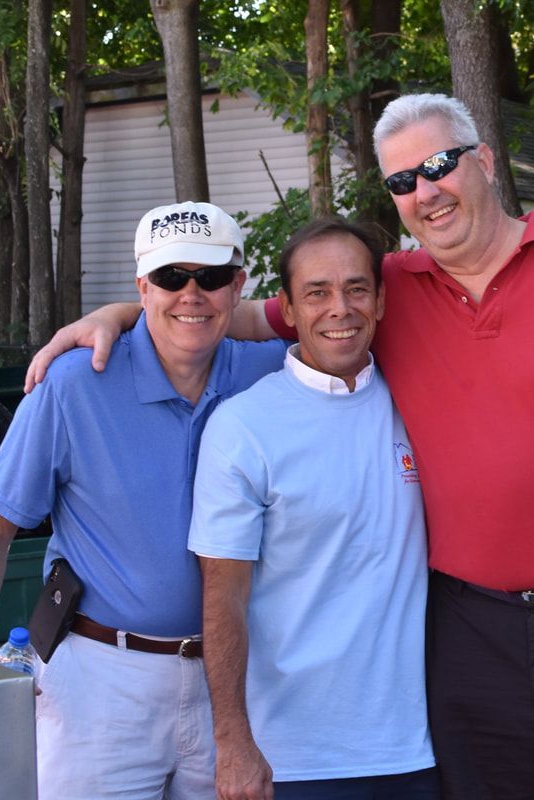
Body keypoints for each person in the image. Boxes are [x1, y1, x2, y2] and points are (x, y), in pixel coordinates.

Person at [26, 94, 534, 800]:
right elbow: (229, 312)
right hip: (470, 632)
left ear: (484, 161)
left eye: (438, 165)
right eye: (402, 181)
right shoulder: (385, 290)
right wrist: (119, 315)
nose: (424, 191)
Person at [0, 201, 287, 800]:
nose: (192, 294)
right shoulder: (76, 382)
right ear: (143, 285)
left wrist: (123, 313)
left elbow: (344, 311)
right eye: (170, 278)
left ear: (238, 285)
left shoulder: (270, 374)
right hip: (100, 677)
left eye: (210, 277)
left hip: (235, 683)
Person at [188, 217, 438, 800]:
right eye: (317, 292)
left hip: (416, 746)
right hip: (292, 759)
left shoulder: (417, 403)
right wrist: (234, 743)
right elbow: (223, 595)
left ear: (379, 300)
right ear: (289, 309)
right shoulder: (243, 426)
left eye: (356, 289)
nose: (339, 308)